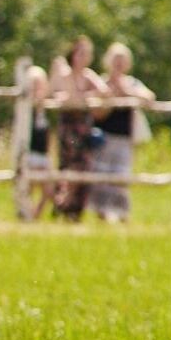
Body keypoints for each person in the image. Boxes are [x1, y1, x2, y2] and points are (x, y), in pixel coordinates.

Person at [89, 43, 154, 223]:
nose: (118, 64)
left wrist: (127, 91)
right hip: (104, 137)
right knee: (101, 176)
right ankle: (101, 213)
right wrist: (108, 98)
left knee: (121, 177)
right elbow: (95, 113)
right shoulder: (101, 83)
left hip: (124, 138)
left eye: (122, 61)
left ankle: (121, 213)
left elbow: (149, 98)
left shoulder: (132, 83)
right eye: (115, 60)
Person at [52, 37, 109, 221]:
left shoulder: (88, 75)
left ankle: (73, 208)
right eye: (80, 52)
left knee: (84, 167)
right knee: (69, 167)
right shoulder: (66, 74)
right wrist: (84, 97)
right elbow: (71, 99)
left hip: (83, 129)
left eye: (86, 53)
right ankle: (62, 204)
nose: (83, 57)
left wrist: (84, 96)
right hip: (69, 129)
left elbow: (104, 92)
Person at [25, 62, 58, 219]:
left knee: (49, 190)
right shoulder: (26, 110)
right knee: (29, 187)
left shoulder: (46, 110)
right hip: (29, 154)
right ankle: (28, 215)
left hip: (43, 155)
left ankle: (36, 214)